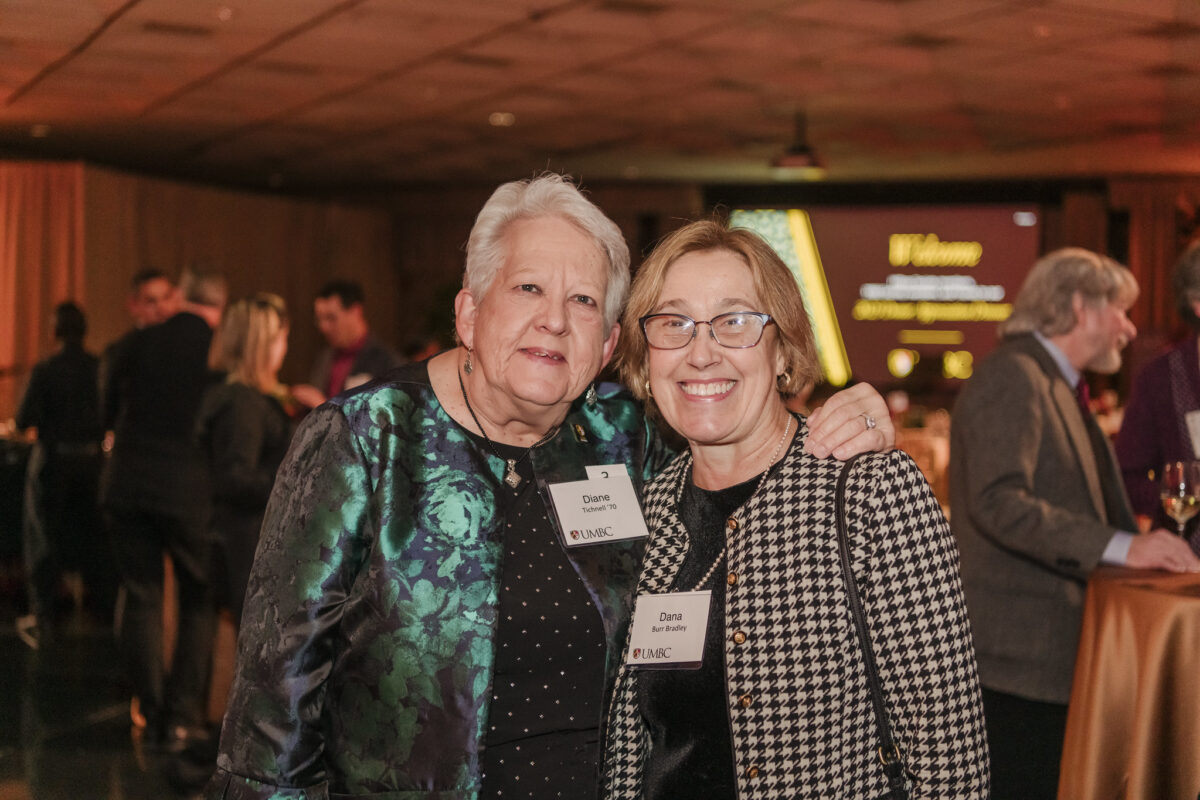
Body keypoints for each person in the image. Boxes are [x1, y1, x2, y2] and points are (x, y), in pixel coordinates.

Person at [206, 175, 894, 799]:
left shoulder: (629, 438)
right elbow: (271, 723)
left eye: (584, 300)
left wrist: (842, 423)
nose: (555, 319)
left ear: (606, 345)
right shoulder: (364, 440)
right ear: (470, 312)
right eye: (528, 287)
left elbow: (742, 434)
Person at [600, 220, 988, 799]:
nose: (701, 352)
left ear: (783, 351)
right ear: (646, 359)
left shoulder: (869, 492)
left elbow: (950, 762)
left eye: (734, 322)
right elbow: (634, 744)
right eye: (674, 324)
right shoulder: (648, 512)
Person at [948, 247, 1200, 800]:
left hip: (1042, 659)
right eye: (1121, 311)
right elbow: (998, 502)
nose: (1130, 330)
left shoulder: (1052, 380)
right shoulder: (1014, 376)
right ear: (1081, 307)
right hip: (1017, 663)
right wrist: (1123, 548)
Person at [102, 268, 228, 749]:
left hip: (126, 484)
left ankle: (149, 715)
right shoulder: (215, 350)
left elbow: (107, 411)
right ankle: (181, 716)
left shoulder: (132, 345)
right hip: (186, 488)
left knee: (142, 595)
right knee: (199, 598)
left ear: (180, 295)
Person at [197, 293, 298, 625]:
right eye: (282, 339)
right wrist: (295, 485)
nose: (285, 348)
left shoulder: (244, 398)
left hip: (247, 538)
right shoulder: (242, 404)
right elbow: (236, 477)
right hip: (245, 543)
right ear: (262, 344)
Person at [15, 302, 105, 649]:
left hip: (53, 463)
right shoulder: (98, 367)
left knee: (42, 538)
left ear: (54, 332)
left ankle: (43, 615)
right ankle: (103, 612)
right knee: (94, 538)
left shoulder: (46, 369)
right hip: (92, 464)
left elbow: (23, 420)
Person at [1116, 241, 1200, 549]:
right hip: (1187, 563)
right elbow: (1126, 475)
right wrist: (1178, 492)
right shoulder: (1160, 378)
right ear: (1197, 304)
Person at [292, 279, 402, 408]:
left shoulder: (386, 361)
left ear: (356, 311)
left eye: (331, 318)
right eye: (319, 319)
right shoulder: (326, 356)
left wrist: (321, 405)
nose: (323, 327)